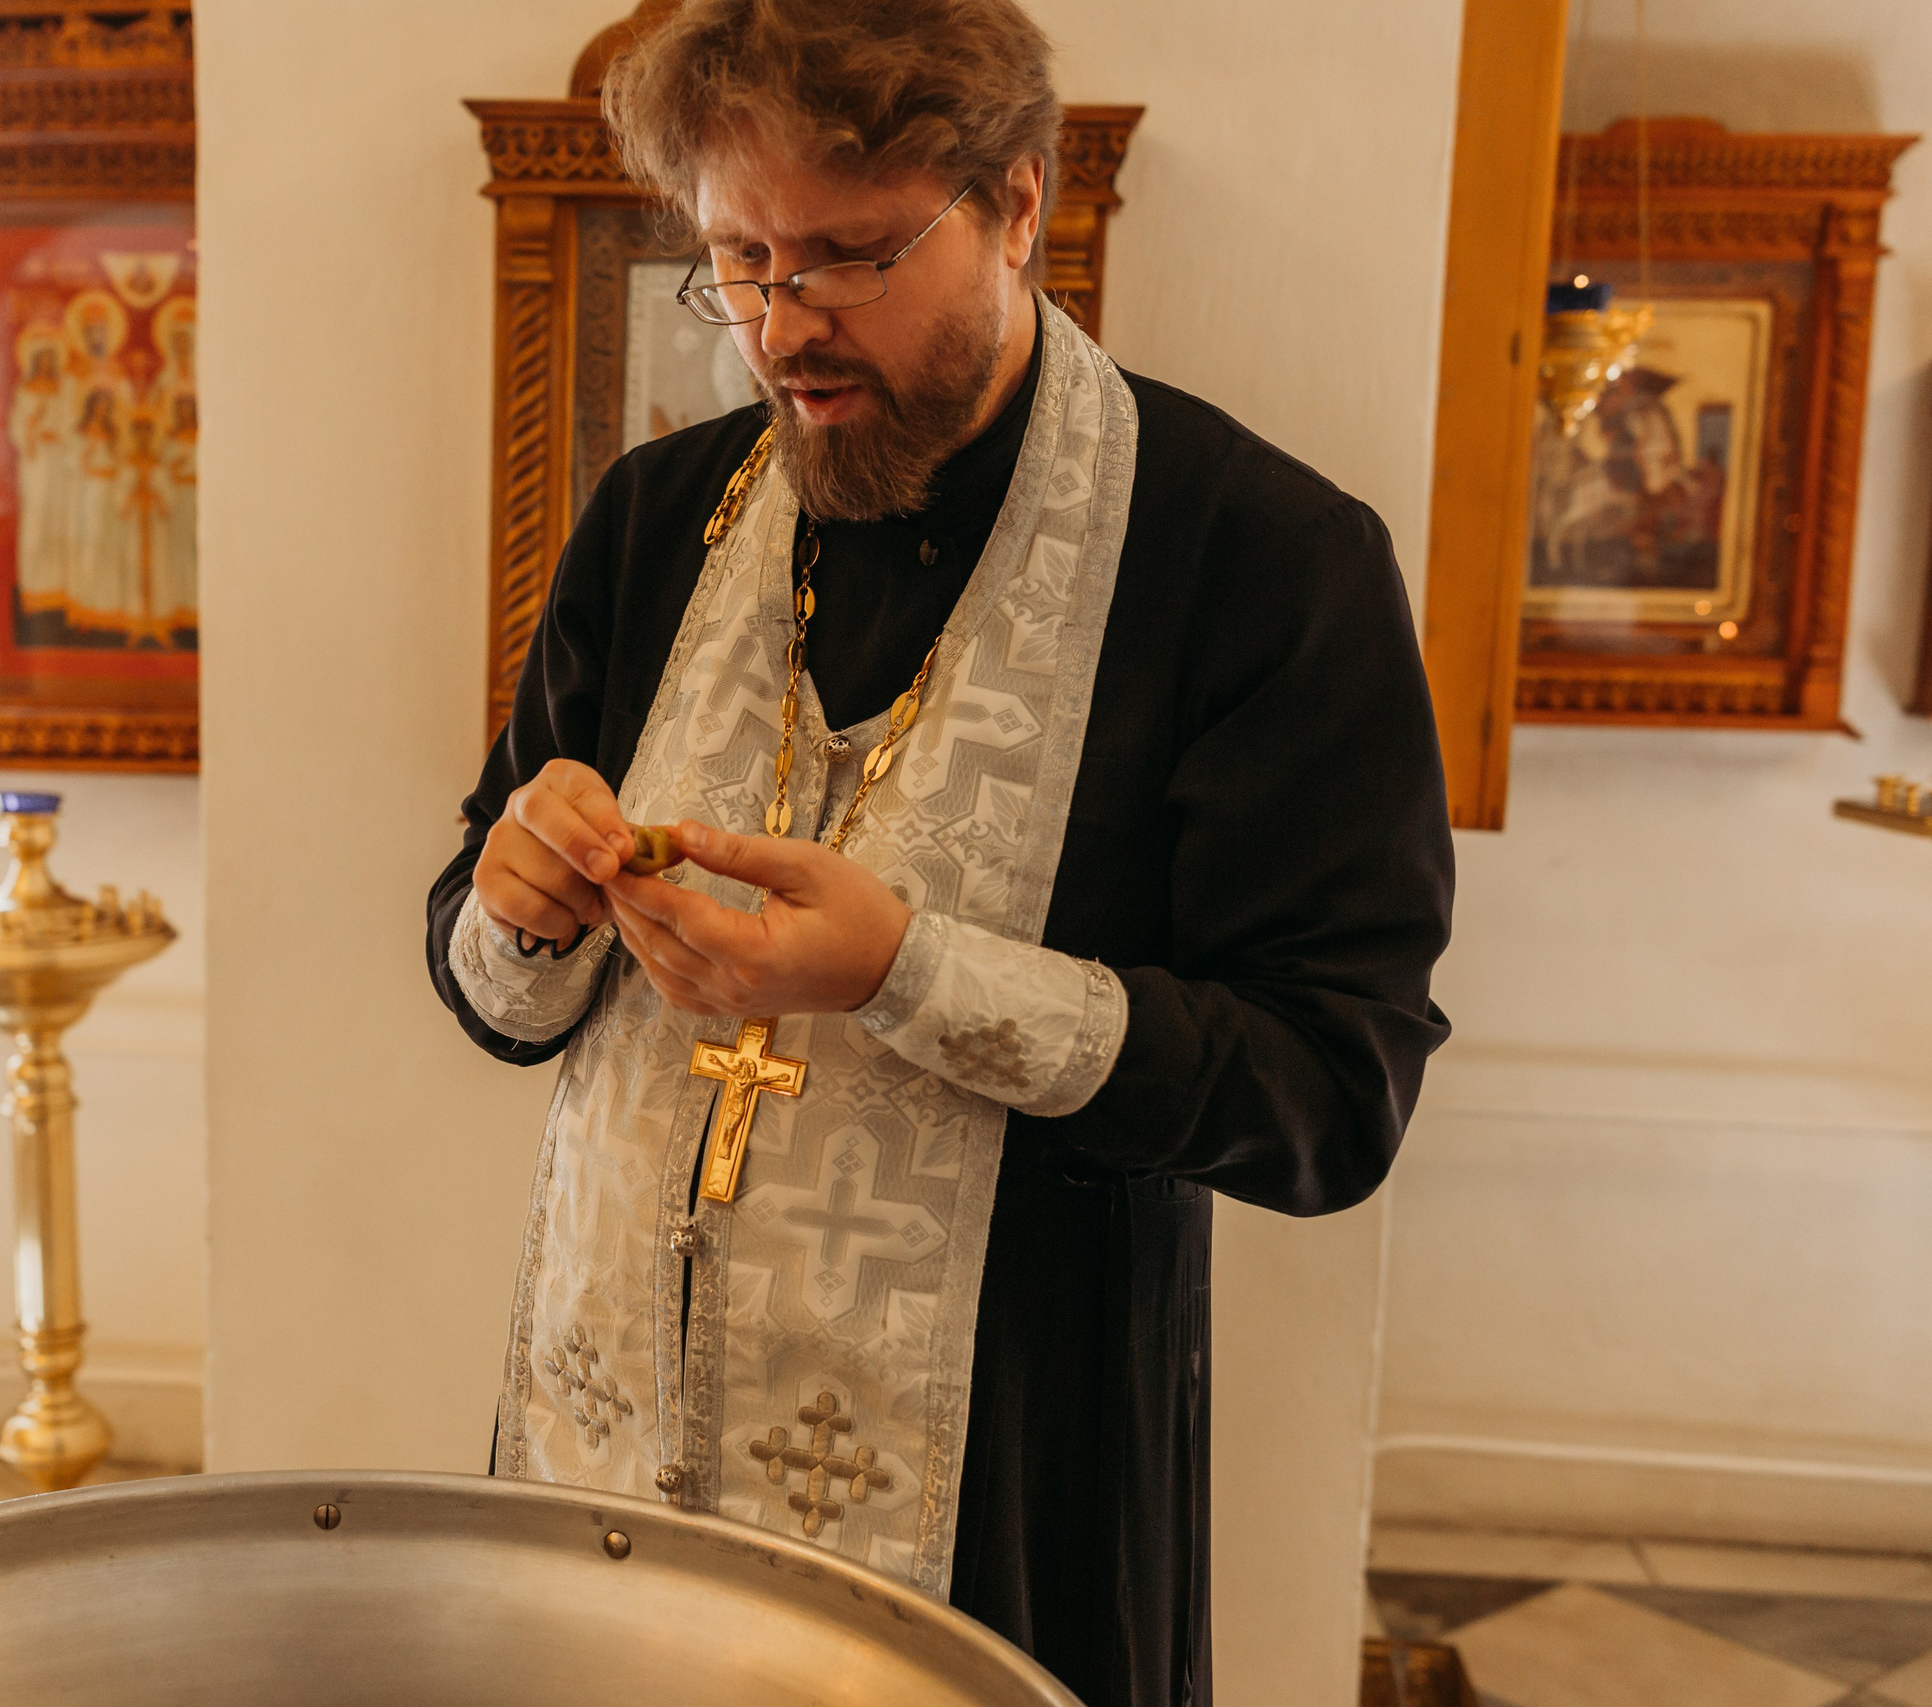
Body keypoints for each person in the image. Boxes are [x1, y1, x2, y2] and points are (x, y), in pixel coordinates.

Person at [423, 3, 1453, 1700]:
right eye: (738, 260)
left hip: (1007, 1505)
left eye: (845, 259)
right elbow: (494, 968)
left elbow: (1335, 1093)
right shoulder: (652, 516)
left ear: (1017, 203)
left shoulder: (1263, 561)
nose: (781, 329)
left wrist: (911, 973)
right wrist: (519, 909)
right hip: (606, 1467)